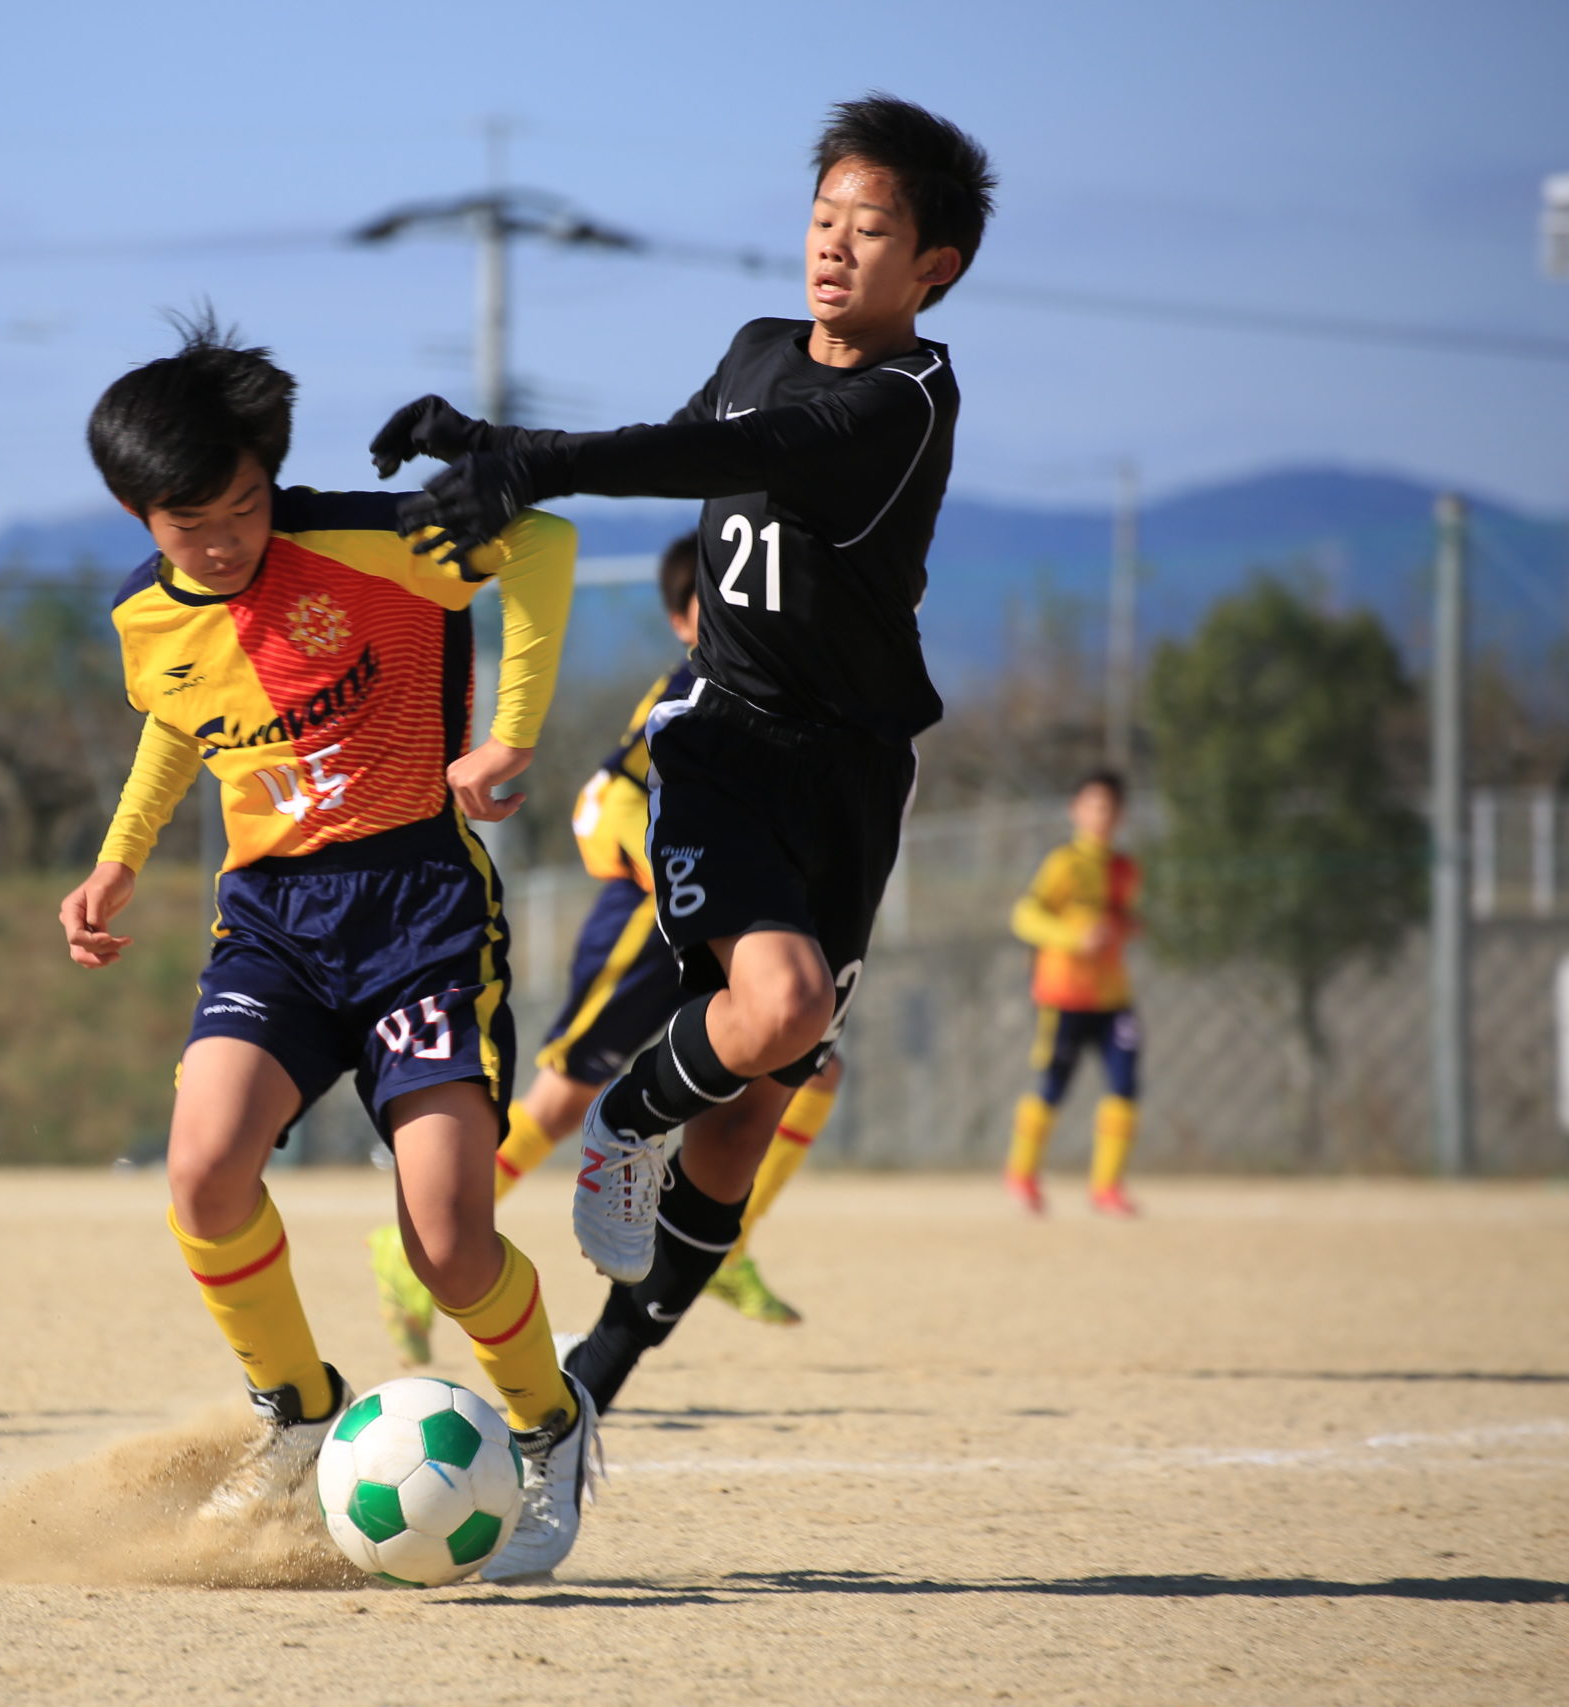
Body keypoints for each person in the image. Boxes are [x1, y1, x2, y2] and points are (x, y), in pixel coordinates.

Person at [369, 93, 993, 1414]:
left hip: (852, 778)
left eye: (868, 229)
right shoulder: (762, 342)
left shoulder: (908, 400)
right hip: (722, 744)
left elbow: (736, 449)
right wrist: (509, 465)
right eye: (822, 217)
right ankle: (627, 1118)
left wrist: (524, 453)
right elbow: (692, 438)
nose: (832, 245)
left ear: (933, 265)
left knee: (754, 1111)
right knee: (779, 1011)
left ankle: (591, 1386)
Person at [58, 315, 596, 1580]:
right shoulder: (146, 620)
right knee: (201, 1171)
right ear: (141, 517)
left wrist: (510, 732)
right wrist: (119, 856)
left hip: (415, 911)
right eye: (193, 523)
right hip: (272, 926)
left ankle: (548, 1426)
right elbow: (181, 723)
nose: (227, 539)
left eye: (245, 506)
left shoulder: (370, 540)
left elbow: (545, 543)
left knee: (449, 1238)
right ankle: (297, 1412)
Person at [365, 534, 836, 1367]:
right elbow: (603, 800)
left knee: (811, 1069)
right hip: (649, 920)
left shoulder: (776, 687)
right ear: (684, 619)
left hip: (731, 912)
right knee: (563, 1095)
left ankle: (727, 1242)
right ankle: (414, 1255)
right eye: (716, 603)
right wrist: (676, 876)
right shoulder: (693, 688)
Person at [1003, 768, 1143, 1216]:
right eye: (1094, 805)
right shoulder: (1063, 864)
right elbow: (1025, 915)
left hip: (1113, 996)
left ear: (1120, 815)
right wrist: (1073, 937)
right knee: (1054, 1084)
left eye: (1110, 807)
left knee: (1126, 1083)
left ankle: (1106, 1187)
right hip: (1064, 994)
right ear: (1076, 810)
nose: (1102, 815)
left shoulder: (1125, 869)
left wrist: (1125, 927)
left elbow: (1120, 918)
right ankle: (1022, 1174)